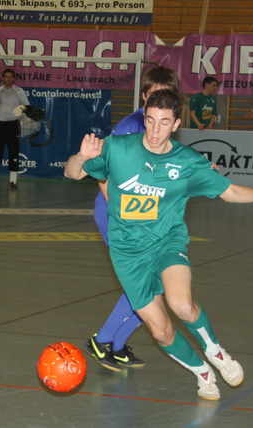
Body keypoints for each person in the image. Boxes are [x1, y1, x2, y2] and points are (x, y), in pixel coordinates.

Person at [65, 89, 253, 400]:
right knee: (161, 331)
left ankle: (215, 351)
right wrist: (82, 156)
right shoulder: (117, 148)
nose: (155, 130)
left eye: (164, 122)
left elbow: (229, 192)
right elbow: (72, 173)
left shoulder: (187, 162)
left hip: (166, 241)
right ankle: (202, 372)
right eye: (151, 120)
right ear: (144, 118)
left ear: (176, 124)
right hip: (127, 253)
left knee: (181, 305)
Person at [85, 66, 180, 372]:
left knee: (153, 282)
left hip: (144, 214)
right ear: (143, 96)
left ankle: (116, 344)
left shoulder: (161, 126)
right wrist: (120, 214)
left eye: (166, 95)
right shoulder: (132, 126)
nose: (160, 101)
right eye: (154, 95)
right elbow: (104, 171)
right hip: (119, 215)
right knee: (144, 281)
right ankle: (103, 340)